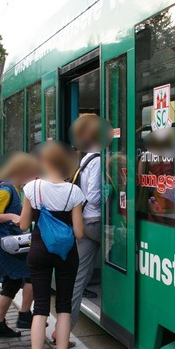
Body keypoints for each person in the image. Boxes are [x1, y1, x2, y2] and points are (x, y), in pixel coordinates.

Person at [19, 142, 85, 349]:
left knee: (40, 308)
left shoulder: (31, 188)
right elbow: (78, 232)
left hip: (37, 251)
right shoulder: (73, 192)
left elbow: (24, 225)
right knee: (64, 306)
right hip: (66, 254)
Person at [0, 152, 39, 337]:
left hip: (9, 241)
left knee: (13, 280)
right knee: (30, 274)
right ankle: (24, 315)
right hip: (4, 242)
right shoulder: (6, 189)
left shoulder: (14, 188)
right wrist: (11, 216)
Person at [69, 115, 102, 335]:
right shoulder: (98, 158)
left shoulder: (86, 158)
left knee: (79, 276)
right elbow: (94, 196)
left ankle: (63, 329)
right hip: (95, 221)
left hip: (84, 222)